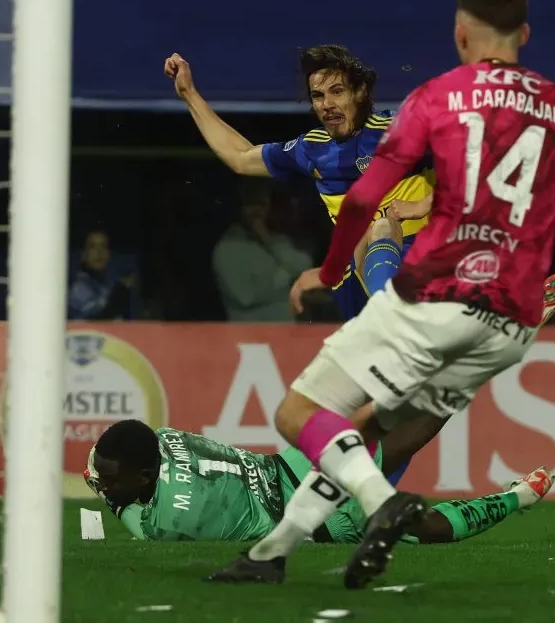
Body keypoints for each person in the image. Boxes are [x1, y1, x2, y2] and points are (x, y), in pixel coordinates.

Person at [208, 0, 555, 589]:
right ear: (524, 34)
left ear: (460, 33)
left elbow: (367, 199)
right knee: (373, 437)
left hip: (429, 299)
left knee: (301, 414)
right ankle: (271, 555)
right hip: (506, 323)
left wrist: (330, 270)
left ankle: (380, 508)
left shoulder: (437, 99)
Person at [165, 45, 432, 486]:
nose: (327, 105)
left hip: (415, 263)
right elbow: (240, 157)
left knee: (381, 228)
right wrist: (190, 95)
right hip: (359, 284)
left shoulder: (401, 131)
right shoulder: (312, 150)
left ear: (360, 91)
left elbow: (473, 168)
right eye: (318, 96)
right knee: (377, 411)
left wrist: (422, 201)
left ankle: (408, 319)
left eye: (337, 92)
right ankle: (369, 503)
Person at [84, 418, 553, 545]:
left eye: (109, 479)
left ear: (145, 475)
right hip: (294, 462)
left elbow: (129, 513)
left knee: (422, 526)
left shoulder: (170, 522)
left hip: (317, 516)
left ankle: (517, 498)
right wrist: (102, 475)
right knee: (396, 425)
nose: (104, 484)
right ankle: (477, 357)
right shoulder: (161, 439)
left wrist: (108, 498)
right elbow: (126, 451)